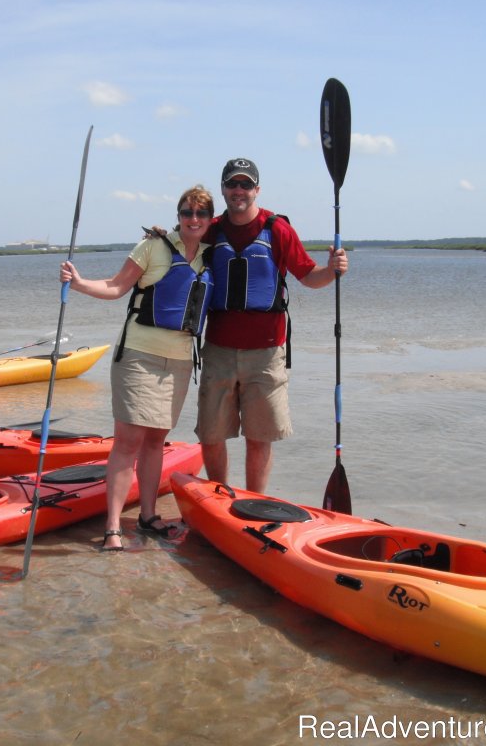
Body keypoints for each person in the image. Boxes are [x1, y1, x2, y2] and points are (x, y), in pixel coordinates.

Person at [60, 185, 215, 552]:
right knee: (128, 442)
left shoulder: (212, 254)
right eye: (187, 213)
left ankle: (147, 515)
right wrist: (79, 283)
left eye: (201, 214)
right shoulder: (152, 247)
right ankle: (113, 525)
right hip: (139, 356)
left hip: (178, 362)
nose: (194, 220)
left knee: (155, 441)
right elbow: (116, 286)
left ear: (210, 220)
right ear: (178, 216)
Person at [196, 158, 348, 494]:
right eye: (232, 184)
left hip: (266, 352)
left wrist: (332, 269)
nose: (239, 190)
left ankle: (252, 502)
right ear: (223, 189)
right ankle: (218, 497)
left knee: (260, 438)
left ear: (257, 190)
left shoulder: (277, 229)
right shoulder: (212, 229)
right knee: (211, 434)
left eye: (246, 184)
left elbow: (309, 276)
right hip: (219, 349)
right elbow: (179, 257)